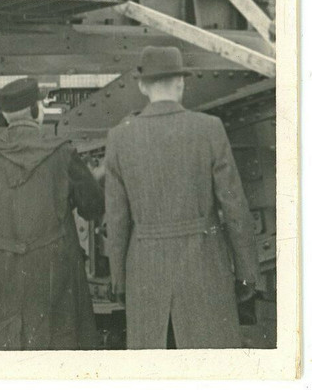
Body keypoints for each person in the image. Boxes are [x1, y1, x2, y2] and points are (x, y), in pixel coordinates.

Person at [104, 46, 260, 349]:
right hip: (204, 268)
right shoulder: (209, 129)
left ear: (142, 86)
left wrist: (119, 279)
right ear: (180, 83)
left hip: (146, 271)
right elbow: (235, 208)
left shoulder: (119, 138)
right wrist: (246, 272)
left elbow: (117, 219)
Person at [0, 77, 104, 350]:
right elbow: (93, 206)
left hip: (2, 271)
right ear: (37, 109)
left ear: (4, 115)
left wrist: (5, 242)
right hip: (54, 272)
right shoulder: (61, 152)